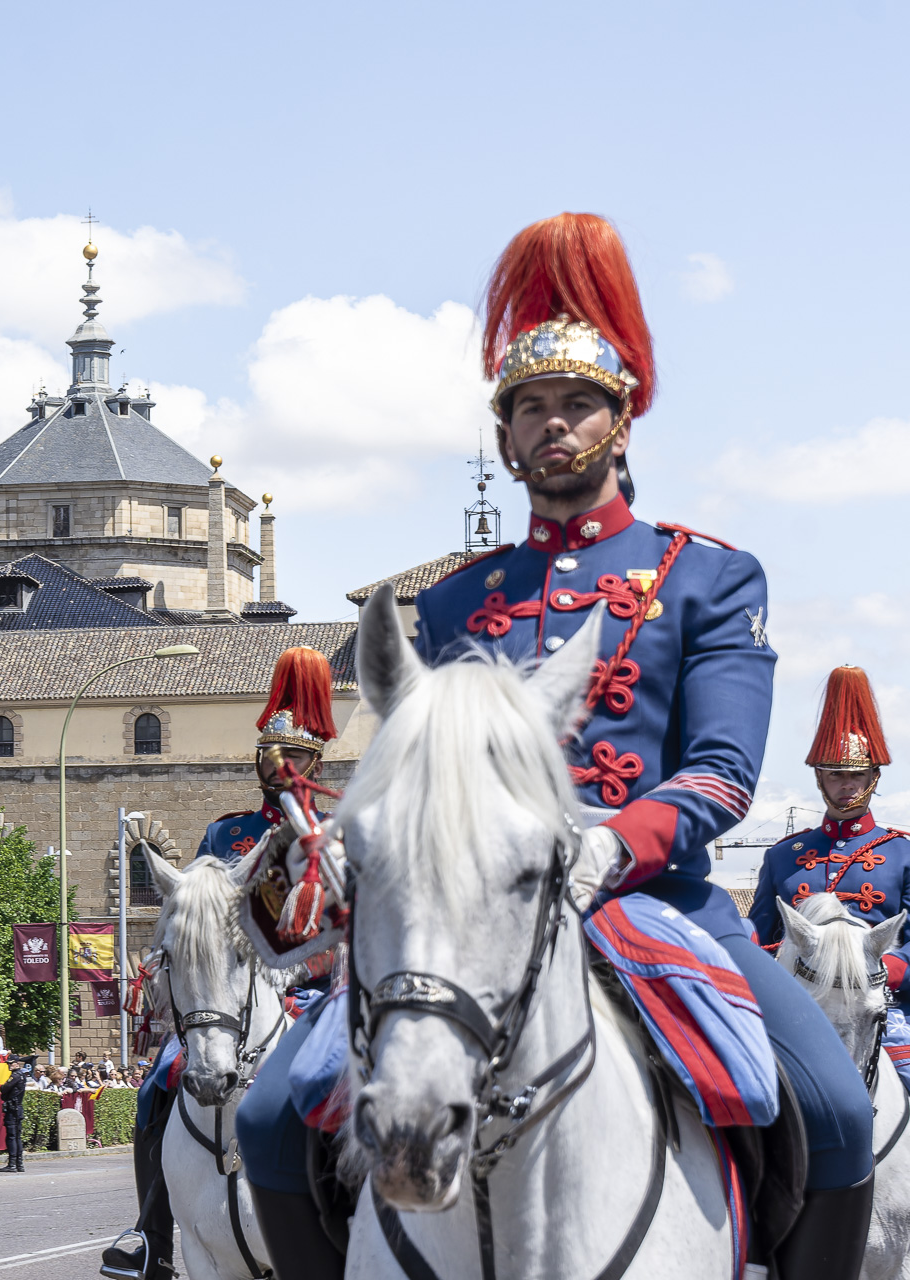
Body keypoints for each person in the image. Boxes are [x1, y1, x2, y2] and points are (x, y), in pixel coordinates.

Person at [233, 212, 873, 1280]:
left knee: (838, 1108)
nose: (554, 426)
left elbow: (720, 769)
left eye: (578, 404)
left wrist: (611, 847)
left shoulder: (705, 578)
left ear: (622, 424)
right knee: (264, 1117)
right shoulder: (453, 606)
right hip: (463, 915)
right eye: (531, 407)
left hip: (652, 901)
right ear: (504, 435)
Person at [103, 643, 336, 1280]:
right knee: (157, 1088)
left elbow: (348, 930)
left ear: (315, 762)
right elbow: (196, 920)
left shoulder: (335, 835)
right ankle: (152, 1235)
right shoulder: (226, 836)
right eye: (271, 756)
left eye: (294, 756)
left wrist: (300, 972)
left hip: (318, 1001)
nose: (281, 766)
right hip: (228, 1003)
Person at [751, 667, 910, 980]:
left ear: (873, 778)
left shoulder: (903, 856)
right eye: (836, 774)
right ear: (819, 777)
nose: (847, 785)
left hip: (881, 997)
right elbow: (760, 938)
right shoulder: (781, 856)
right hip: (799, 997)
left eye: (856, 775)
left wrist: (878, 971)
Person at [0, 1054, 29, 1172]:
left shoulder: (16, 1076)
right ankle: (19, 1164)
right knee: (17, 1137)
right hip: (17, 1108)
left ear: (17, 1063)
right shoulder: (22, 1075)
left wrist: (3, 1088)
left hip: (12, 1109)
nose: (9, 1065)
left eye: (11, 1063)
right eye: (8, 1063)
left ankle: (12, 1164)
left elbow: (4, 1088)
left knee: (12, 1137)